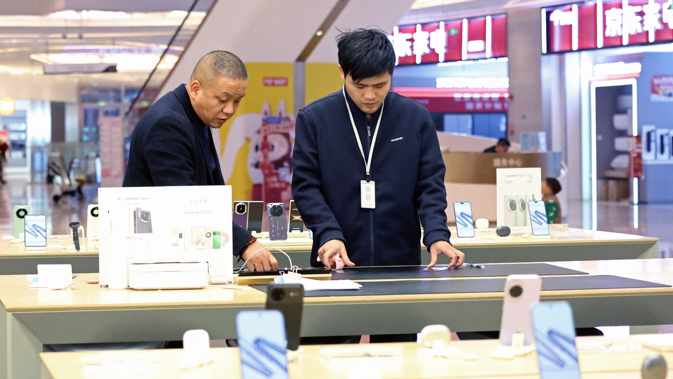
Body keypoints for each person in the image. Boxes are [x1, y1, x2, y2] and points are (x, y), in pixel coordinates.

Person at [292, 28, 464, 271]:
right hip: (336, 258)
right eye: (360, 85)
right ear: (342, 72)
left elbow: (430, 184)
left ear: (391, 74)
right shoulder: (315, 119)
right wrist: (328, 233)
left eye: (380, 85)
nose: (370, 95)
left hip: (402, 261)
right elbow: (306, 186)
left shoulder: (414, 117)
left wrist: (436, 233)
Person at [123, 50, 278, 271]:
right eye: (222, 100)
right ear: (195, 89)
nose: (230, 110)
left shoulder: (194, 117)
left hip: (182, 251)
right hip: (156, 261)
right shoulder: (168, 123)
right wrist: (245, 243)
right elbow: (184, 203)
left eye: (237, 101)